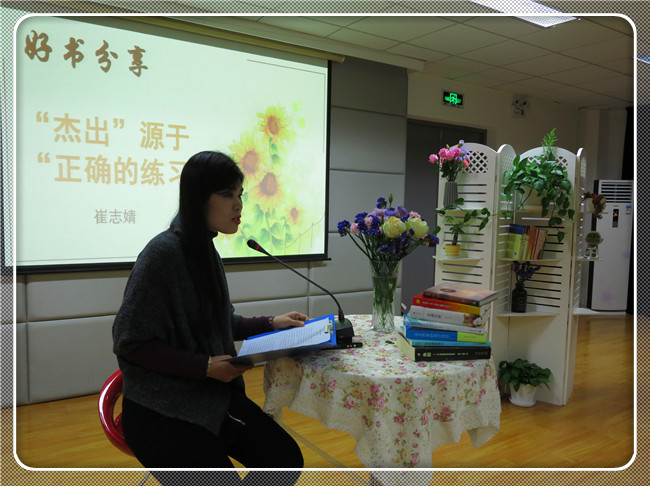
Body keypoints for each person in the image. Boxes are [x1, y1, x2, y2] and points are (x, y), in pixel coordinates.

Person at [112, 150, 306, 473]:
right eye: (228, 195)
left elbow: (221, 323)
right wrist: (204, 366)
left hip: (207, 397)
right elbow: (130, 342)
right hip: (159, 411)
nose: (238, 205)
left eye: (240, 194)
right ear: (198, 198)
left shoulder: (204, 249)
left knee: (285, 461)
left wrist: (273, 323)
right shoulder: (163, 254)